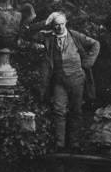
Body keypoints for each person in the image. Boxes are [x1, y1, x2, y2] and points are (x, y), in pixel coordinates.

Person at [24, 11, 100, 149]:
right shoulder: (48, 37)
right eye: (55, 25)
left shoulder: (75, 36)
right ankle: (60, 144)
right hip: (59, 80)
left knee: (76, 111)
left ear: (66, 23)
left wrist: (88, 63)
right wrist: (45, 22)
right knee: (59, 111)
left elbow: (95, 44)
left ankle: (74, 143)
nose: (59, 27)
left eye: (61, 24)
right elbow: (27, 33)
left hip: (77, 79)